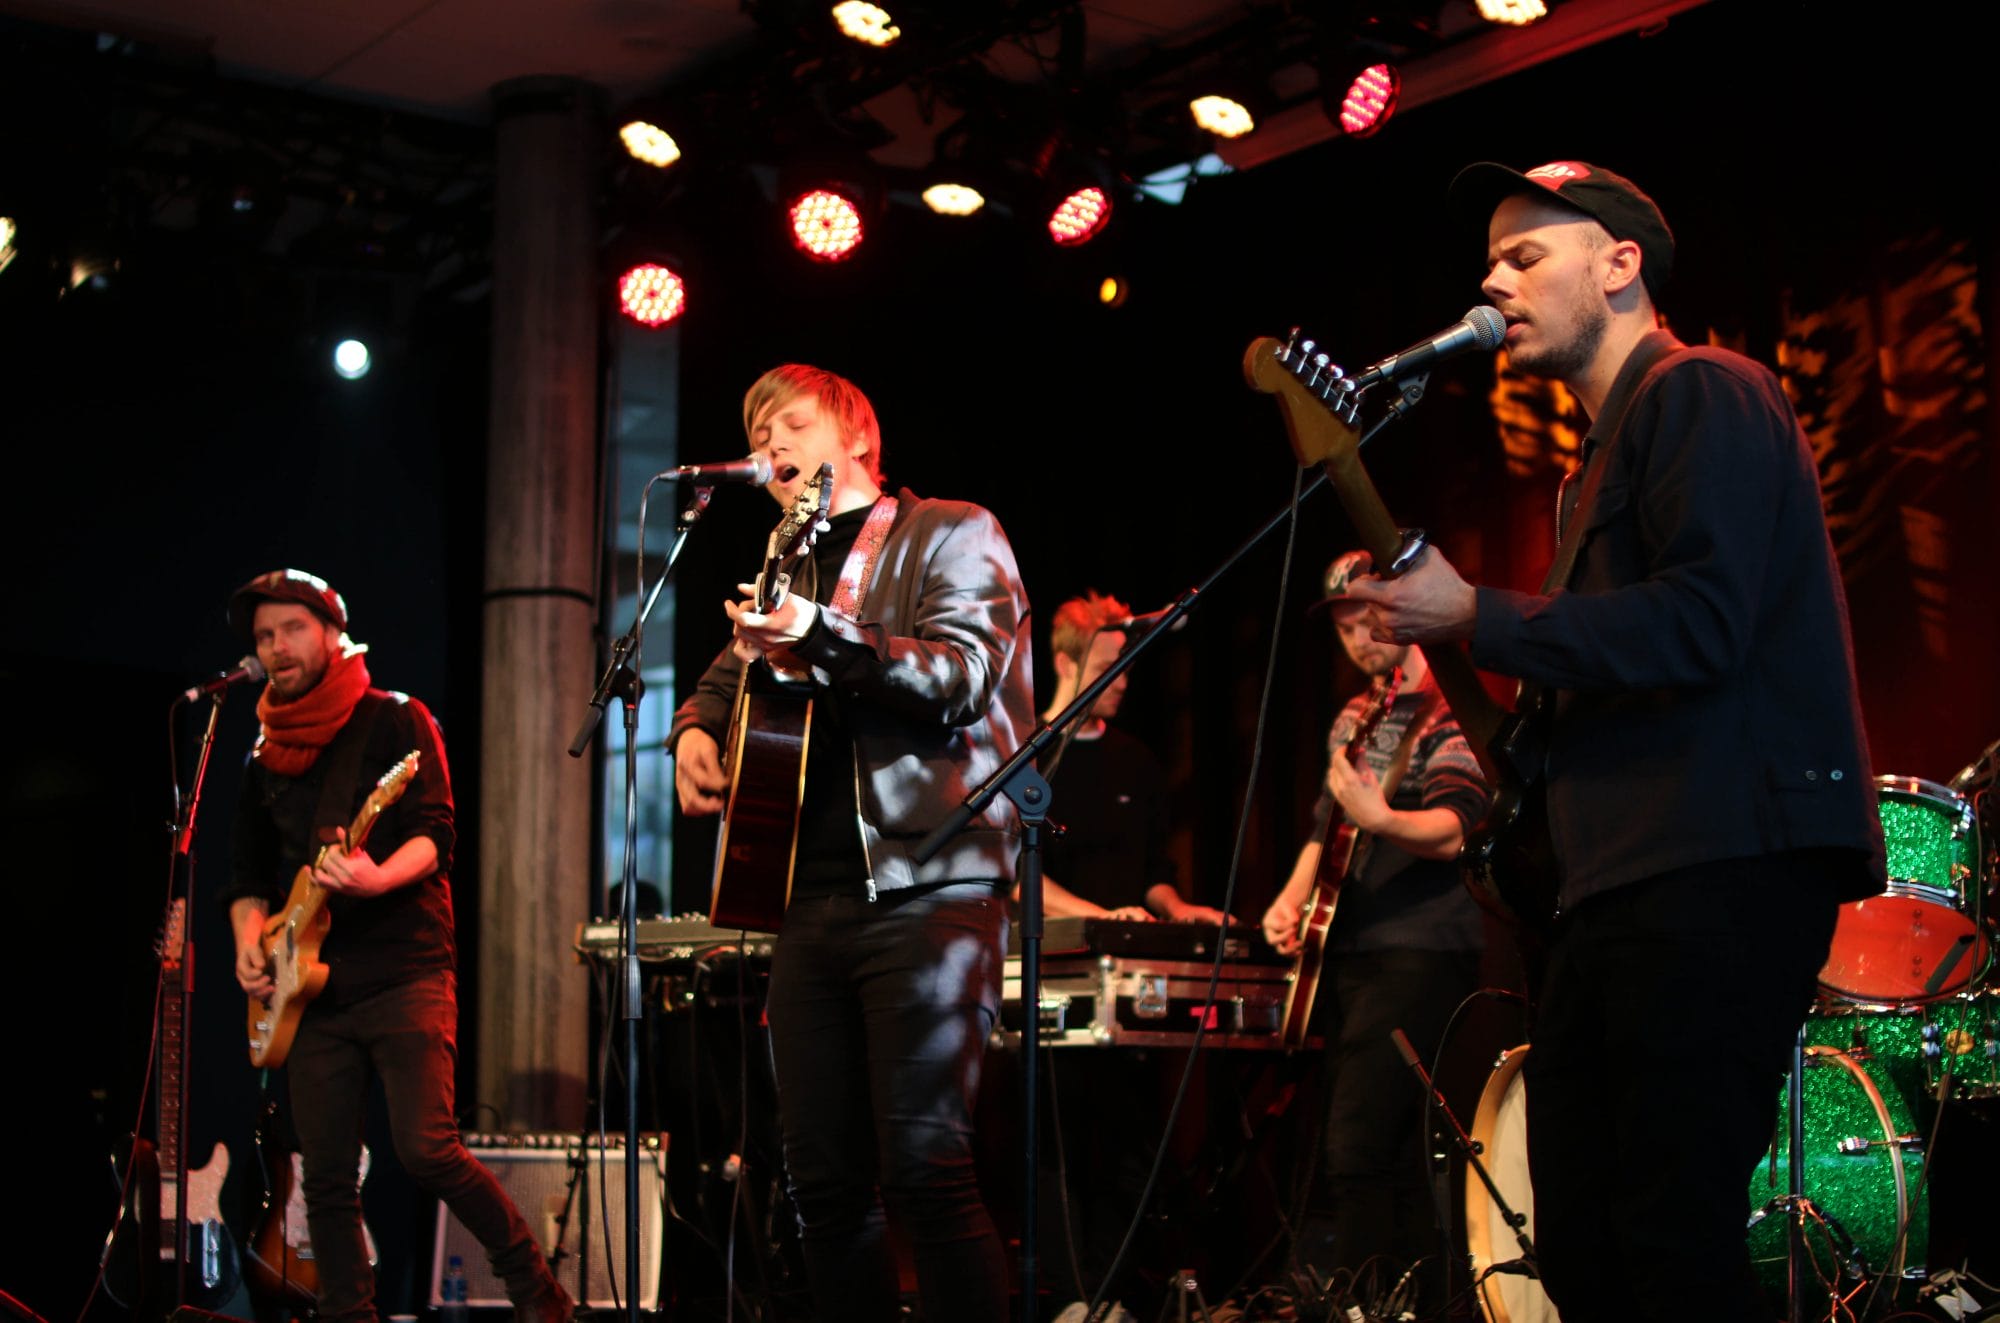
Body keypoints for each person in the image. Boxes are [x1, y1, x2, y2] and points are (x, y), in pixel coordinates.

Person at [1341, 160, 1885, 1322]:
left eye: (1523, 256)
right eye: (1488, 262)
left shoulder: (1704, 391)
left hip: (1717, 862)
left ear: (1618, 264)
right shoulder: (1588, 466)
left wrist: (1472, 612)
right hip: (1616, 884)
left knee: (1667, 1237)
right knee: (1585, 1248)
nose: (1493, 284)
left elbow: (1701, 622)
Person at [667, 364, 1033, 1323]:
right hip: (807, 898)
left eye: (791, 424)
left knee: (925, 1166)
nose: (770, 446)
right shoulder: (785, 566)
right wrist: (693, 731)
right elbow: (723, 675)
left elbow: (962, 676)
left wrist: (821, 634)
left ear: (859, 437)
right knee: (821, 1184)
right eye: (759, 436)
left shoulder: (951, 530)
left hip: (928, 884)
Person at [220, 569, 571, 1323]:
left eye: (292, 629)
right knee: (325, 1180)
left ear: (333, 632)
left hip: (405, 969)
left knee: (427, 1149)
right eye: (263, 636)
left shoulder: (395, 720)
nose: (275, 647)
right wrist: (250, 940)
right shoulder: (262, 755)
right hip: (310, 991)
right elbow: (246, 875)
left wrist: (376, 878)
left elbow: (435, 834)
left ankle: (540, 1295)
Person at [1258, 552, 1490, 1313]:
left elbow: (1458, 828)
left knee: (1361, 1144)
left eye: (1367, 619)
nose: (1357, 639)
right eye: (1344, 628)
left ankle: (1362, 1303)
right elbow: (1326, 830)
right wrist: (1291, 901)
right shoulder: (1353, 716)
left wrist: (1383, 818)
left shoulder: (1452, 708)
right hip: (1354, 951)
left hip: (1424, 948)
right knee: (1384, 1146)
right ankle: (1407, 1300)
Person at [1029, 589, 1231, 925]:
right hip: (1051, 948)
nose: (1121, 683)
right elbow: (1015, 875)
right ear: (1065, 665)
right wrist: (1102, 919)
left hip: (1125, 942)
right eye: (1107, 670)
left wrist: (1177, 910)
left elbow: (1154, 869)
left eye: (1125, 669)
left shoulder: (1137, 761)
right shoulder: (1027, 754)